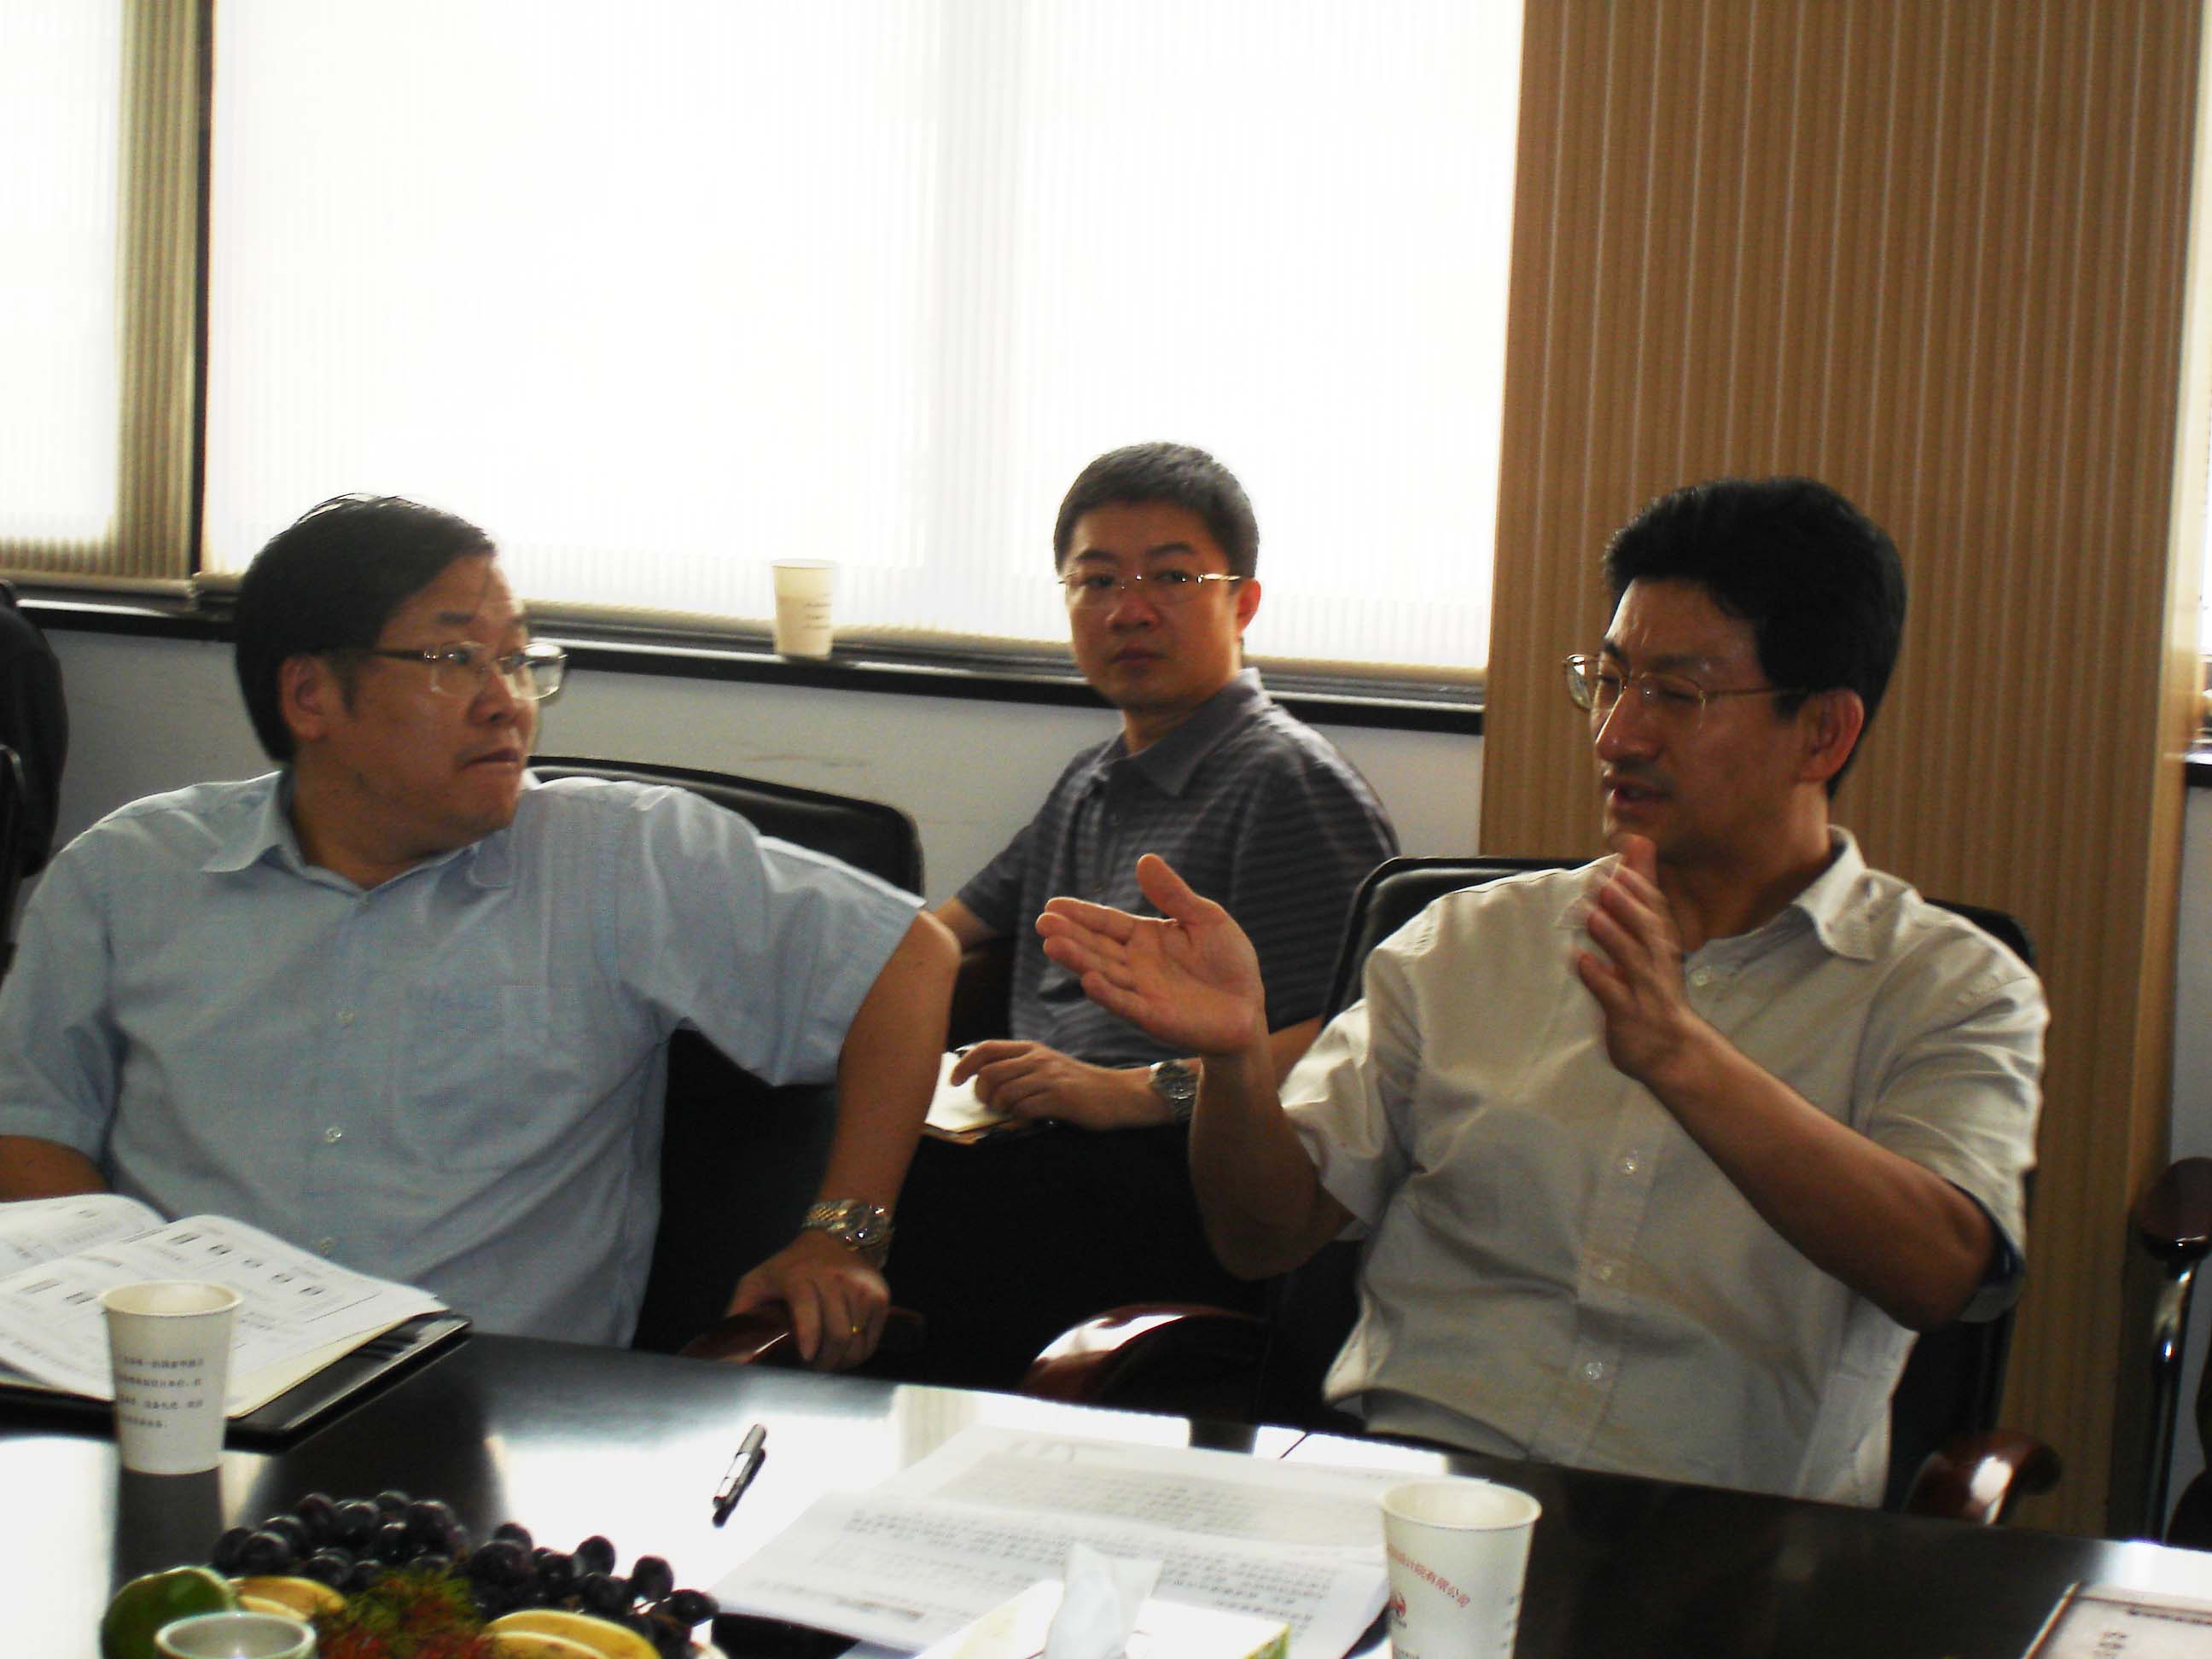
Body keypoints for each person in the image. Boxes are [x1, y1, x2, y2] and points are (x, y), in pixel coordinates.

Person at [1035, 476, 2045, 1502]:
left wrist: (1682, 1056)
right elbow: (1261, 1236)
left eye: (1678, 694)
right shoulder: (1467, 944)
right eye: (1608, 681)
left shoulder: (1949, 986)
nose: (1617, 736)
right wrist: (1236, 1059)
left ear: (1823, 732)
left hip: (1723, 1539)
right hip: (1413, 1500)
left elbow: (1941, 1271)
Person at [0, 495, 957, 1366]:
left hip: (485, 1413)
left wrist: (845, 1233)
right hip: (184, 1385)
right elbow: (31, 1128)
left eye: (517, 659)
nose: (507, 701)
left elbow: (908, 959)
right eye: (454, 659)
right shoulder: (128, 873)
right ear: (310, 697)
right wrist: (115, 1328)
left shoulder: (621, 857)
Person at [890, 442, 1398, 1386]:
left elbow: (1354, 1042)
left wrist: (1128, 1092)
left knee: (913, 1226)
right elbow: (936, 938)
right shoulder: (1091, 780)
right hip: (1028, 1149)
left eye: (1170, 576)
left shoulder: (1286, 782)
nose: (1129, 609)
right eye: (1096, 581)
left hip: (1177, 1184)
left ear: (1243, 602)